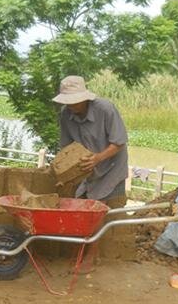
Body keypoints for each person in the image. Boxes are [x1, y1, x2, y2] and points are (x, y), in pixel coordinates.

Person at [52, 75, 129, 209]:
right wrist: (60, 168)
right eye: (68, 102)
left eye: (75, 101)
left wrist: (97, 158)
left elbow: (119, 142)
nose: (71, 105)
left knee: (110, 214)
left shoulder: (105, 109)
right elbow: (66, 148)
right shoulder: (66, 114)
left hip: (111, 170)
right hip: (87, 174)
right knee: (82, 212)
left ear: (85, 98)